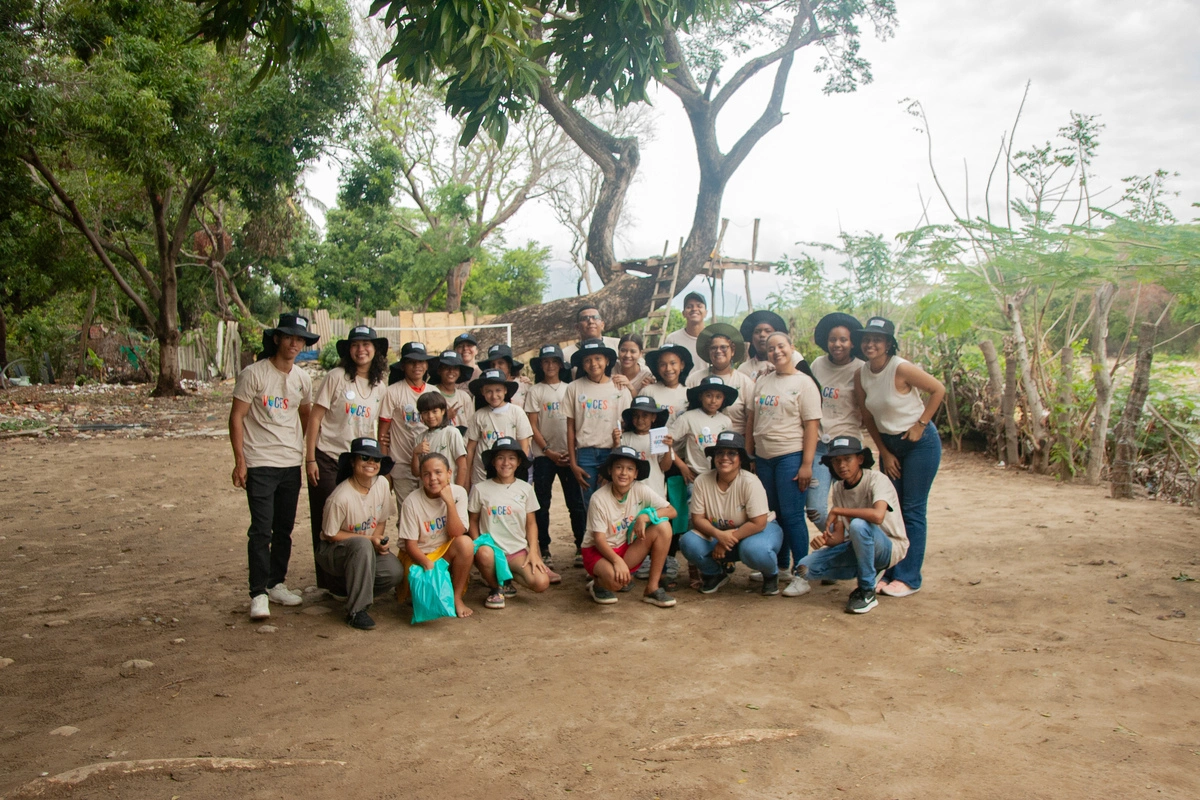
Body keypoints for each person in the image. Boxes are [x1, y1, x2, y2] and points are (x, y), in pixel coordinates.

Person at [228, 313, 317, 621]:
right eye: (289, 337)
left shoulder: (303, 379)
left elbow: (306, 416)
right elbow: (237, 416)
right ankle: (258, 593)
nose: (295, 344)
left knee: (284, 529)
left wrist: (304, 452)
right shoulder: (254, 374)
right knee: (260, 529)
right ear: (277, 338)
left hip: (290, 463)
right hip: (259, 461)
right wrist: (240, 460)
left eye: (300, 339)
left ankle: (276, 583)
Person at [853, 316, 945, 598]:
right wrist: (885, 451)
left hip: (920, 443)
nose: (871, 344)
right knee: (894, 512)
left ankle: (909, 577)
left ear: (888, 343)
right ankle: (893, 570)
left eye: (877, 339)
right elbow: (867, 415)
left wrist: (920, 425)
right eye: (867, 339)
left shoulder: (901, 368)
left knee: (913, 509)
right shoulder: (862, 374)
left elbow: (938, 389)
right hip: (890, 445)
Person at [304, 325, 389, 593]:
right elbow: (315, 417)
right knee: (327, 521)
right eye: (355, 345)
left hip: (359, 462)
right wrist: (310, 459)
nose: (361, 350)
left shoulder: (379, 387)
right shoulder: (336, 377)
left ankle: (356, 576)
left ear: (375, 351)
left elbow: (377, 426)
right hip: (328, 456)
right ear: (348, 350)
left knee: (358, 517)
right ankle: (330, 584)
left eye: (367, 345)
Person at [744, 331, 822, 598]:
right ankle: (781, 566)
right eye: (770, 348)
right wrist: (750, 456)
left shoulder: (804, 383)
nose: (776, 352)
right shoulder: (762, 382)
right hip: (764, 460)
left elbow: (811, 426)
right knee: (773, 514)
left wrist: (807, 464)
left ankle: (803, 572)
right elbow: (752, 421)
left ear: (792, 348)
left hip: (790, 455)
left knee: (792, 515)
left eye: (781, 346)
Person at [797, 436, 909, 614]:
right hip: (858, 544)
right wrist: (827, 541)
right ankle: (869, 569)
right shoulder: (840, 488)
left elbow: (878, 516)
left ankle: (866, 591)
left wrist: (839, 511)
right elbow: (840, 537)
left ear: (860, 459)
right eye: (836, 461)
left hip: (889, 545)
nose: (842, 465)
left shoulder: (877, 479)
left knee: (858, 525)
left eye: (847, 459)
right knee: (805, 569)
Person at [678, 431, 785, 596]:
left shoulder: (750, 482)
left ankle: (771, 574)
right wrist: (719, 535)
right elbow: (698, 519)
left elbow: (759, 522)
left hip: (758, 531)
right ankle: (715, 574)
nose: (724, 457)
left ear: (740, 458)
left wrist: (725, 539)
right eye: (719, 452)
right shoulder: (702, 481)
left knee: (753, 549)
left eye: (731, 453)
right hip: (719, 532)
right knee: (688, 542)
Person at [316, 437, 404, 630]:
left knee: (394, 571)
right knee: (361, 545)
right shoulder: (340, 497)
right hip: (332, 551)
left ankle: (350, 589)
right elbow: (330, 534)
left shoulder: (381, 483)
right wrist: (368, 540)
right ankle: (356, 611)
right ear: (353, 461)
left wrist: (377, 541)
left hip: (363, 549)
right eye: (365, 457)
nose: (371, 463)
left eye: (376, 459)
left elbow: (381, 520)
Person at [581, 446, 678, 607]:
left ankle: (652, 589)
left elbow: (672, 511)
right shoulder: (599, 498)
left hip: (625, 546)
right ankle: (598, 583)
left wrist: (645, 516)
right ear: (610, 470)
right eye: (618, 467)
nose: (624, 473)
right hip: (598, 550)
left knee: (663, 526)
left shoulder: (640, 489)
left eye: (630, 469)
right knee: (616, 583)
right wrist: (617, 561)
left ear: (636, 474)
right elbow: (598, 539)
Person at [469, 437, 556, 609]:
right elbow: (473, 521)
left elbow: (531, 524)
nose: (506, 463)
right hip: (491, 551)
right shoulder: (480, 489)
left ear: (518, 463)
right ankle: (495, 587)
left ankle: (507, 578)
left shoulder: (525, 489)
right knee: (484, 554)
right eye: (500, 457)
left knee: (541, 582)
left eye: (511, 458)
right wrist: (478, 545)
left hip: (517, 551)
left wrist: (533, 552)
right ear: (493, 462)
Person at [565, 338, 632, 555]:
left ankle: (616, 551)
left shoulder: (618, 387)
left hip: (610, 453)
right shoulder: (574, 388)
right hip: (584, 454)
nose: (593, 363)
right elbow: (571, 427)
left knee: (614, 503)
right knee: (590, 505)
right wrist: (573, 463)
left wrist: (613, 459)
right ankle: (593, 556)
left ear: (607, 360)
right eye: (587, 360)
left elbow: (625, 426)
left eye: (598, 358)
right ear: (581, 364)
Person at [525, 344, 586, 564]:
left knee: (575, 503)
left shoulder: (570, 388)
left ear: (561, 364)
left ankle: (581, 546)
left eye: (554, 361)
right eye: (546, 361)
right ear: (541, 365)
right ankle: (544, 548)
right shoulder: (535, 391)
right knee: (541, 503)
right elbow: (532, 426)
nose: (550, 366)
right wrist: (547, 451)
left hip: (569, 454)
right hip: (544, 457)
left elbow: (577, 421)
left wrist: (572, 451)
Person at [807, 313, 866, 533]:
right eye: (833, 339)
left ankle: (858, 546)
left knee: (852, 506)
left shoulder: (861, 368)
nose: (837, 344)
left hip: (848, 444)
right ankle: (843, 540)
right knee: (815, 509)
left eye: (843, 340)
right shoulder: (817, 365)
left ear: (852, 343)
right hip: (820, 446)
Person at [398, 452, 475, 618]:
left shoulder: (458, 493)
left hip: (444, 551)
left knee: (465, 543)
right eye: (426, 474)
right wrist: (427, 563)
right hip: (418, 555)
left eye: (438, 472)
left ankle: (456, 597)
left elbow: (456, 533)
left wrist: (448, 502)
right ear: (421, 477)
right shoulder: (411, 502)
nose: (433, 478)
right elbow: (410, 545)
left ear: (449, 473)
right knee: (423, 599)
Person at [378, 342, 438, 505]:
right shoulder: (392, 392)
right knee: (406, 513)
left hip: (430, 464)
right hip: (402, 464)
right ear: (403, 366)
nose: (417, 366)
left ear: (426, 365)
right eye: (411, 362)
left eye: (421, 362)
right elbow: (383, 433)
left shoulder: (434, 391)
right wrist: (386, 469)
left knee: (429, 510)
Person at [465, 368, 533, 489]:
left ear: (505, 390)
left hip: (508, 473)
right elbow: (470, 449)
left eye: (498, 390)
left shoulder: (516, 412)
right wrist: (467, 477)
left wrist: (517, 471)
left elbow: (524, 446)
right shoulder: (478, 415)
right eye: (489, 391)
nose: (494, 395)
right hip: (481, 474)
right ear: (482, 392)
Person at [686, 323, 755, 435]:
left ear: (732, 351)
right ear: (708, 352)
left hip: (735, 442)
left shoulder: (744, 382)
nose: (718, 351)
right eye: (713, 348)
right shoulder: (695, 379)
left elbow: (751, 420)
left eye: (723, 347)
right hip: (700, 442)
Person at [672, 376, 736, 483]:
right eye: (709, 395)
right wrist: (682, 466)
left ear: (723, 398)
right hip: (695, 477)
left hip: (719, 477)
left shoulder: (726, 421)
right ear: (700, 396)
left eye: (718, 397)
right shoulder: (688, 418)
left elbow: (730, 449)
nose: (713, 401)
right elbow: (665, 443)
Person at [561, 305, 631, 389]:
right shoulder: (565, 354)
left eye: (595, 317)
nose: (591, 321)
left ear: (602, 324)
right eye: (585, 318)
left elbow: (639, 367)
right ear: (577, 327)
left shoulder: (619, 345)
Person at [617, 395, 674, 496]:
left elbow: (665, 467)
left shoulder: (660, 437)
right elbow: (617, 463)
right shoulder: (625, 438)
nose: (640, 419)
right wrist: (616, 442)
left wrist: (668, 449)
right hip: (630, 493)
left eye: (645, 415)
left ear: (653, 417)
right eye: (636, 415)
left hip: (654, 491)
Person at [411, 392, 468, 486]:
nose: (430, 416)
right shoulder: (420, 438)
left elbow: (462, 466)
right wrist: (415, 453)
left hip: (448, 489)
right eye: (425, 412)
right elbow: (416, 473)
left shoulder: (451, 433)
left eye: (434, 411)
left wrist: (458, 492)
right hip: (427, 494)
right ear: (421, 415)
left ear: (443, 411)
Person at [737, 310, 805, 382]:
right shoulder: (744, 369)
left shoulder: (793, 357)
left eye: (768, 331)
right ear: (752, 340)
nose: (762, 335)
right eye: (757, 332)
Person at [642, 343, 692, 428]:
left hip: (681, 441)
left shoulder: (689, 393)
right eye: (662, 364)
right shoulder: (648, 391)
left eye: (673, 363)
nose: (668, 368)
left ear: (682, 365)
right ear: (657, 367)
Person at [429, 350, 475, 433]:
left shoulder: (464, 397)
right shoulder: (431, 393)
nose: (451, 371)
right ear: (439, 371)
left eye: (455, 368)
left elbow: (471, 427)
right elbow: (424, 425)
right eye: (446, 367)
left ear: (460, 372)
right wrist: (445, 417)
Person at [663, 291, 708, 365]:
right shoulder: (673, 339)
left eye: (699, 306)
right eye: (689, 307)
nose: (694, 309)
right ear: (683, 313)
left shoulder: (712, 339)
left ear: (706, 312)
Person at [478, 343, 528, 407]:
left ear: (509, 365)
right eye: (493, 364)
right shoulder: (485, 388)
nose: (496, 367)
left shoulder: (523, 385)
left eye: (500, 363)